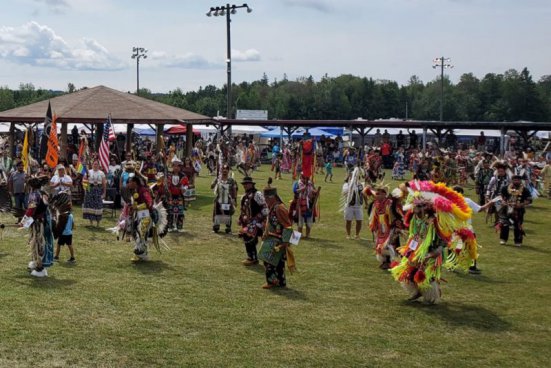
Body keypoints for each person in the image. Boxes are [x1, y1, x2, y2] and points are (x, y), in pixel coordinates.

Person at [390, 180, 478, 304]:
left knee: (427, 273)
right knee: (408, 270)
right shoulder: (414, 219)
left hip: (432, 250)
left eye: (421, 206)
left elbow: (444, 236)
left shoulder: (434, 221)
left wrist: (438, 250)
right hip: (415, 249)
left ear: (428, 207)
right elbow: (413, 233)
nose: (417, 209)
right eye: (416, 206)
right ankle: (415, 292)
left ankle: (431, 297)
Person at [258, 185, 296, 289]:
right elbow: (270, 222)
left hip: (278, 240)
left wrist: (285, 242)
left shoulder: (279, 208)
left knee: (268, 260)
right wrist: (265, 233)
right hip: (273, 237)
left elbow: (288, 225)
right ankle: (280, 282)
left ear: (271, 197)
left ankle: (273, 281)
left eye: (266, 198)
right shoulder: (273, 207)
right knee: (277, 262)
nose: (265, 201)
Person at [20, 175, 54, 277]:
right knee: (37, 243)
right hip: (43, 221)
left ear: (31, 186)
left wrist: (23, 221)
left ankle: (41, 269)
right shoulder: (42, 193)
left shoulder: (34, 195)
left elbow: (31, 210)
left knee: (39, 244)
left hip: (39, 224)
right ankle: (36, 263)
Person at [238, 176, 268, 266]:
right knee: (247, 237)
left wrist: (260, 219)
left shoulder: (257, 194)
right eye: (244, 184)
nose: (245, 186)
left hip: (257, 221)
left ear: (251, 184)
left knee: (249, 237)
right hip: (248, 222)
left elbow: (264, 207)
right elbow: (243, 209)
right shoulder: (245, 196)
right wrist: (241, 218)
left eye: (247, 184)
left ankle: (253, 258)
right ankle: (251, 257)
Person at [497, 175, 531, 247]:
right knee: (504, 224)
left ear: (520, 181)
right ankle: (503, 239)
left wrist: (521, 204)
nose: (516, 181)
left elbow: (529, 200)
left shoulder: (525, 189)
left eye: (518, 180)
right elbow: (501, 196)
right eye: (515, 180)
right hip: (506, 209)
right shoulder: (505, 188)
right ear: (512, 180)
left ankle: (518, 241)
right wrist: (503, 201)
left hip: (518, 211)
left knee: (518, 225)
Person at [291, 173, 319, 239]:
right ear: (301, 177)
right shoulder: (297, 183)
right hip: (300, 204)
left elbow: (313, 191)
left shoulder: (310, 183)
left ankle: (307, 235)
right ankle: (299, 236)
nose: (305, 179)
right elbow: (295, 191)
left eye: (307, 178)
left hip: (309, 204)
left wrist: (316, 192)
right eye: (304, 177)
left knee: (309, 220)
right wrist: (302, 189)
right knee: (300, 221)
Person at [211, 164, 238, 233]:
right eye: (223, 169)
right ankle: (216, 227)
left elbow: (234, 190)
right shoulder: (218, 178)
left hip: (227, 199)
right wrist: (215, 182)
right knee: (217, 212)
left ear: (228, 171)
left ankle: (228, 228)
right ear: (221, 170)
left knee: (227, 213)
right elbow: (212, 186)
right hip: (219, 199)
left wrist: (235, 199)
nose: (225, 170)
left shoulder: (231, 180)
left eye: (226, 169)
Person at [341, 168, 364, 240]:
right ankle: (348, 234)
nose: (354, 177)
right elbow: (344, 193)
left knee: (359, 221)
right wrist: (351, 187)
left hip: (358, 206)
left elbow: (364, 193)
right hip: (349, 206)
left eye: (356, 176)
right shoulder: (346, 184)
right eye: (353, 176)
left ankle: (357, 235)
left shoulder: (361, 184)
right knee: (348, 221)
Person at [166, 159, 189, 232]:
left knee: (180, 211)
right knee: (170, 211)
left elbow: (186, 184)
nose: (176, 168)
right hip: (170, 196)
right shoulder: (169, 175)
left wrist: (184, 188)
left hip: (179, 196)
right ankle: (170, 226)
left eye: (177, 166)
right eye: (174, 166)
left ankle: (179, 227)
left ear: (180, 167)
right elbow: (166, 184)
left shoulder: (183, 176)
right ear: (172, 167)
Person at [82, 160, 106, 227]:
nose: (95, 165)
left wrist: (104, 193)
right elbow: (83, 181)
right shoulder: (88, 172)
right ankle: (91, 222)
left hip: (98, 190)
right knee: (90, 206)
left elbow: (104, 184)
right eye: (94, 164)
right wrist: (86, 180)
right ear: (92, 165)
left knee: (98, 206)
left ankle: (98, 223)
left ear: (99, 165)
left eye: (96, 164)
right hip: (90, 189)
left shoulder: (101, 173)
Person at [53, 197, 75, 263]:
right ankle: (72, 257)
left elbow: (59, 226)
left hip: (63, 233)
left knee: (59, 245)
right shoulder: (71, 215)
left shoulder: (61, 216)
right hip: (69, 233)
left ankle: (56, 257)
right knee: (70, 245)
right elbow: (72, 224)